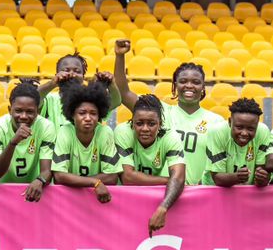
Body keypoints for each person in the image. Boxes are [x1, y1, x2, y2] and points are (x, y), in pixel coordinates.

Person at [115, 41, 224, 185]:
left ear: (203, 87)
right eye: (183, 81)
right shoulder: (159, 111)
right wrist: (120, 56)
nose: (189, 86)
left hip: (197, 194)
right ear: (175, 85)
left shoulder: (217, 121)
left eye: (196, 82)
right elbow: (123, 93)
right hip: (163, 190)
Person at [115, 94, 186, 235]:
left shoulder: (171, 137)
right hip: (123, 201)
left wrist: (163, 208)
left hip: (155, 200)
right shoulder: (123, 132)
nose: (145, 128)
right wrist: (168, 181)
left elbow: (178, 177)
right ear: (132, 122)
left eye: (151, 124)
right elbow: (127, 177)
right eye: (139, 123)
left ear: (160, 123)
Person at [0, 80, 56, 202]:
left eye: (29, 112)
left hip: (32, 191)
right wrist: (13, 143)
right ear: (9, 110)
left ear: (38, 112)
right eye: (18, 110)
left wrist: (40, 180)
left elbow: (46, 170)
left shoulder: (46, 127)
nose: (23, 116)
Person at [52, 80, 117, 203]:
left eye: (93, 113)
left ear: (99, 116)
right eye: (82, 113)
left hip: (96, 200)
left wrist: (75, 180)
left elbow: (112, 177)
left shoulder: (105, 132)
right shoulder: (64, 131)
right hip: (68, 199)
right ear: (72, 115)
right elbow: (59, 176)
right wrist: (94, 182)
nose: (88, 118)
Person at [38, 53, 120, 130]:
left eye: (77, 71)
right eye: (66, 70)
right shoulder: (50, 99)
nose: (72, 74)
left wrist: (111, 84)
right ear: (57, 75)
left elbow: (116, 101)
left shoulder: (92, 99)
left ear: (83, 77)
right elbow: (34, 98)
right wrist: (52, 84)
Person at [207, 98, 271, 187]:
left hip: (246, 194)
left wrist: (262, 178)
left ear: (257, 125)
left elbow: (261, 174)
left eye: (251, 129)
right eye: (239, 127)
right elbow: (217, 178)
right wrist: (237, 177)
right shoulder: (217, 132)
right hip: (214, 191)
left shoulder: (263, 131)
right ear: (230, 122)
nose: (244, 133)